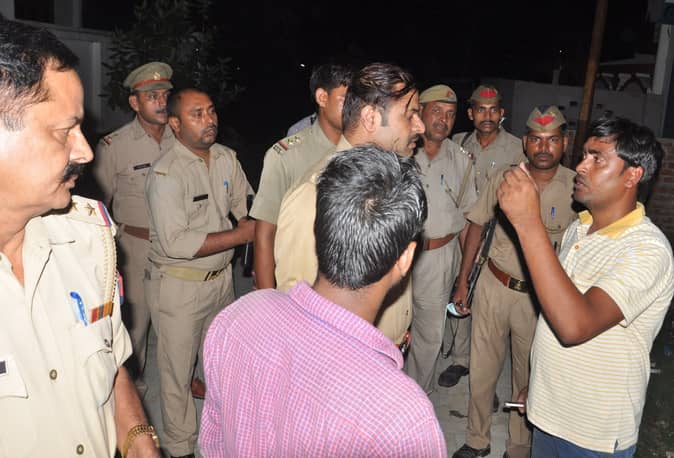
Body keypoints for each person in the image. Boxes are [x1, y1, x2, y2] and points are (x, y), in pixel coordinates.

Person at [199, 146, 446, 457]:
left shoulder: (236, 319)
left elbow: (213, 444)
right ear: (406, 258)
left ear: (320, 230)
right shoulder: (402, 417)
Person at [0, 19, 159, 458]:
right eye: (62, 132)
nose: (85, 152)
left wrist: (138, 438)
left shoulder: (88, 238)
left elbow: (111, 365)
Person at [498, 117, 674, 458]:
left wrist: (528, 222)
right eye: (583, 155)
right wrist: (538, 387)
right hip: (549, 416)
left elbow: (574, 325)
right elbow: (555, 309)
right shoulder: (579, 229)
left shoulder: (647, 249)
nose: (580, 166)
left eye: (597, 158)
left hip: (594, 434)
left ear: (632, 176)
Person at [452, 106, 577, 458]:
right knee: (482, 370)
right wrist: (463, 281)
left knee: (529, 375)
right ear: (525, 142)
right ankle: (477, 439)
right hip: (494, 285)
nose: (543, 147)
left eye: (552, 140)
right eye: (535, 139)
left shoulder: (575, 189)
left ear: (564, 144)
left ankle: (519, 447)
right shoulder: (505, 178)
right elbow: (476, 224)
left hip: (540, 299)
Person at [273, 62, 425, 346]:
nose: (420, 126)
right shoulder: (312, 195)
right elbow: (295, 302)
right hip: (346, 360)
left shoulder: (391, 181)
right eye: (410, 115)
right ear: (370, 118)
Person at [144, 88, 255, 458]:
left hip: (221, 281)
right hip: (179, 286)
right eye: (197, 114)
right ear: (175, 124)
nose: (209, 120)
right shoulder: (166, 174)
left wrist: (253, 226)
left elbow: (245, 206)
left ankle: (220, 433)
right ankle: (181, 448)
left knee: (222, 363)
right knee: (176, 374)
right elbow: (176, 242)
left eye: (211, 111)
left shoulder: (225, 158)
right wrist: (241, 235)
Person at [94, 61, 175, 395]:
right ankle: (133, 391)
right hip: (136, 246)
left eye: (165, 95)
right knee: (135, 324)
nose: (161, 102)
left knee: (178, 321)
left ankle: (181, 381)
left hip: (179, 246)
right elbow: (97, 207)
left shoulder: (182, 136)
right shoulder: (115, 146)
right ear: (134, 103)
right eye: (152, 96)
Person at [439, 84, 525, 388]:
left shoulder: (517, 148)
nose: (487, 116)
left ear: (502, 113)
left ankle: (485, 369)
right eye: (480, 110)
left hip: (496, 237)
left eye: (493, 110)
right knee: (459, 289)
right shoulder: (457, 143)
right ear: (470, 113)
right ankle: (460, 358)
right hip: (461, 231)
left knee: (489, 306)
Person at [251, 63, 352, 289]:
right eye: (346, 99)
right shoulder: (286, 155)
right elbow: (265, 234)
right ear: (322, 97)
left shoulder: (362, 151)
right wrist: (268, 298)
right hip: (300, 282)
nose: (355, 108)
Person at [404, 84, 477, 393]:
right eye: (436, 111)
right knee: (387, 328)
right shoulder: (400, 150)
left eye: (450, 114)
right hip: (395, 255)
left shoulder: (462, 161)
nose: (443, 120)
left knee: (429, 335)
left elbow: (469, 222)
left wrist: (463, 277)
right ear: (420, 112)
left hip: (439, 257)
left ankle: (414, 396)